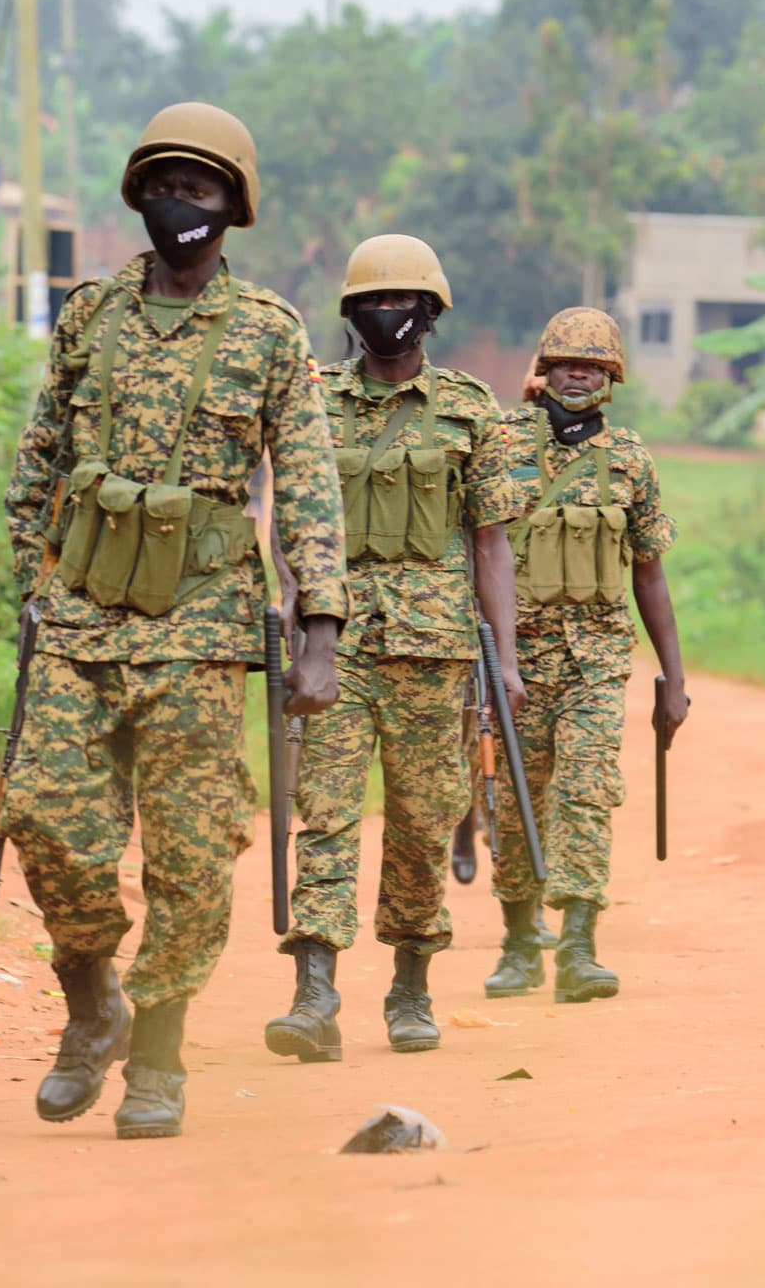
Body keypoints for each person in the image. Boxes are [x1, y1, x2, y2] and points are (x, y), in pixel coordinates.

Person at [1, 102, 346, 1140]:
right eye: (162, 185)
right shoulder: (90, 314)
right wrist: (31, 573)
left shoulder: (269, 332)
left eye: (198, 189)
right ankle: (91, 1003)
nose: (177, 205)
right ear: (136, 195)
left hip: (200, 622)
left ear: (232, 205)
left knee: (191, 854)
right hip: (80, 611)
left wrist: (318, 622)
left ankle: (157, 1050)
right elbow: (41, 452)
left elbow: (311, 483)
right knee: (46, 817)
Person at [263, 234, 526, 1061]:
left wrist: (507, 661)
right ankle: (314, 994)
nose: (387, 314)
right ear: (350, 313)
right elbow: (292, 525)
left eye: (402, 301)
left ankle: (411, 987)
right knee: (327, 815)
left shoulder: (470, 409)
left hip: (434, 649)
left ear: (431, 312)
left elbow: (490, 543)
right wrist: (298, 615)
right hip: (334, 648)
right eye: (371, 302)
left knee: (421, 821)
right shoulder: (313, 404)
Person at [481, 308, 689, 1004]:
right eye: (568, 362)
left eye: (594, 365)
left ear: (612, 377)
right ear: (544, 368)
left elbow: (650, 572)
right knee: (515, 803)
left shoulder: (629, 459)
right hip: (515, 662)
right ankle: (518, 942)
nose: (579, 373)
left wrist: (674, 679)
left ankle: (578, 945)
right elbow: (472, 551)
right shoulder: (501, 444)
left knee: (586, 791)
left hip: (596, 660)